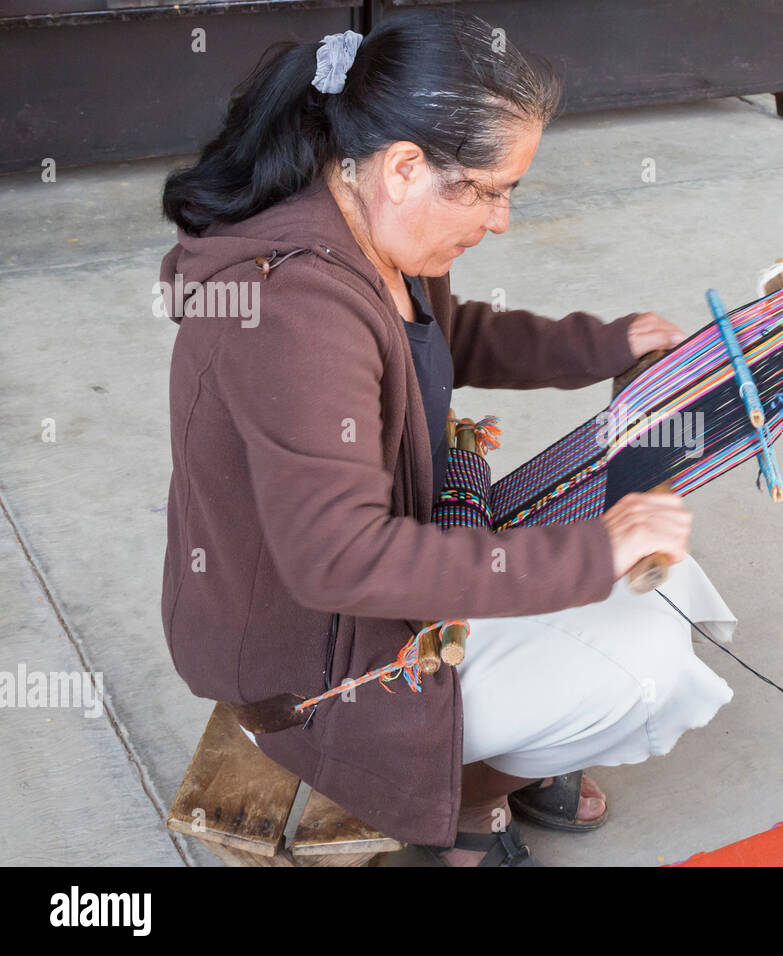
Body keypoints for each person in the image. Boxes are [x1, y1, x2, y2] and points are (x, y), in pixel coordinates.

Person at [158, 9, 735, 866]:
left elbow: (442, 333)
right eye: (493, 189)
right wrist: (589, 554)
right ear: (402, 168)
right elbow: (338, 560)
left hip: (358, 591)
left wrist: (603, 344)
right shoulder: (293, 312)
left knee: (669, 581)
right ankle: (469, 800)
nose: (500, 219)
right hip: (312, 670)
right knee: (646, 669)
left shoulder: (370, 224)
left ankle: (513, 751)